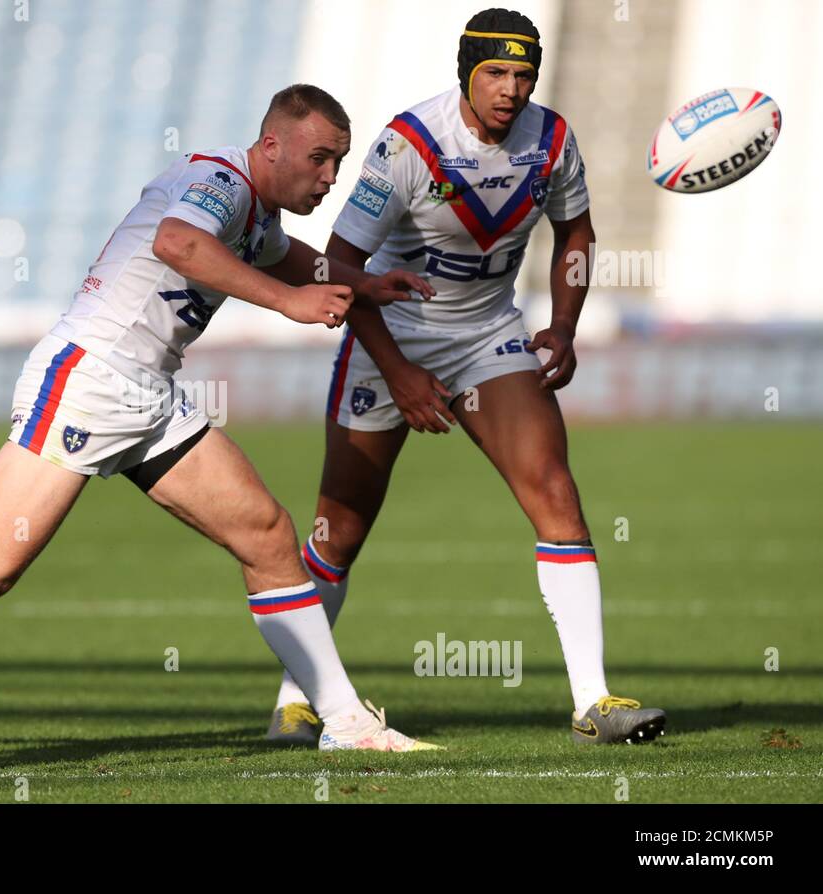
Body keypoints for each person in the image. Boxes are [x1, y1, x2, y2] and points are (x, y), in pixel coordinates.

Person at [0, 84, 444, 755]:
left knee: (266, 532)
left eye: (338, 163)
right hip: (90, 380)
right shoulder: (217, 182)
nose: (328, 177)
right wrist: (287, 305)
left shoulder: (257, 211)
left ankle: (342, 718)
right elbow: (179, 244)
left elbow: (291, 260)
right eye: (319, 159)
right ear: (272, 147)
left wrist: (362, 282)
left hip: (147, 392)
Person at [268, 9, 666, 746]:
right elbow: (339, 264)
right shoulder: (409, 144)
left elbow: (577, 233)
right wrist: (401, 373)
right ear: (467, 73)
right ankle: (298, 697)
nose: (512, 90)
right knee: (340, 531)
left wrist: (565, 326)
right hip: (388, 336)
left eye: (524, 74)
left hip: (487, 335)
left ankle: (594, 701)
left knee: (555, 491)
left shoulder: (551, 141)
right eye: (496, 73)